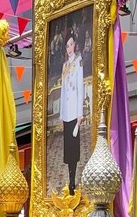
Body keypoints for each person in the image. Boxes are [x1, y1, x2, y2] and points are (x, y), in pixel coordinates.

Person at [60, 32, 85, 194]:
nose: (69, 48)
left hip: (75, 111)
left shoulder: (78, 62)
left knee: (74, 148)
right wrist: (62, 113)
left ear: (75, 44)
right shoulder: (65, 65)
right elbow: (63, 90)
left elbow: (80, 87)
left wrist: (80, 112)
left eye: (71, 44)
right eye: (67, 45)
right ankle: (69, 178)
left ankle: (73, 180)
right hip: (66, 112)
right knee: (68, 148)